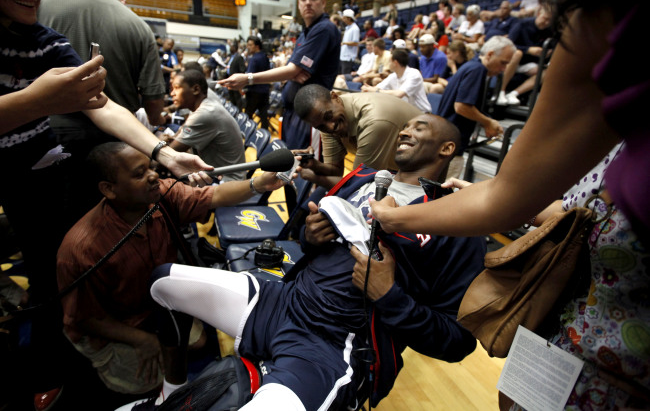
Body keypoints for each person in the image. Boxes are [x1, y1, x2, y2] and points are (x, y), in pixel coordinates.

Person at [368, 0, 650, 408]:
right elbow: (578, 217)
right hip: (549, 346)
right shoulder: (612, 30)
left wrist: (393, 216)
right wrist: (522, 204)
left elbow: (501, 198)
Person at [122, 113, 485, 411]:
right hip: (283, 301)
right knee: (162, 282)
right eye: (405, 125)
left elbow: (457, 343)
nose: (405, 129)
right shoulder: (363, 177)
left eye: (419, 128)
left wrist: (389, 294)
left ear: (446, 147)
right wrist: (311, 237)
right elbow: (310, 245)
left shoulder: (455, 223)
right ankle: (171, 391)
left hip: (332, 344)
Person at [0, 0, 212, 409]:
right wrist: (38, 100)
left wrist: (164, 155)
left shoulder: (40, 36)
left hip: (45, 172)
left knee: (52, 272)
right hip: (20, 180)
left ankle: (59, 355)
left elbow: (99, 102)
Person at [57, 142, 287, 397]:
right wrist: (141, 340)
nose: (154, 176)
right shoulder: (81, 250)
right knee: (151, 383)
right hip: (113, 325)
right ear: (108, 189)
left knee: (196, 344)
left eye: (151, 167)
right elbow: (86, 319)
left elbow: (214, 196)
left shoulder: (161, 195)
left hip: (154, 305)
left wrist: (259, 185)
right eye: (139, 173)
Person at [218, 0, 340, 151]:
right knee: (290, 167)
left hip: (311, 116)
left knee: (303, 169)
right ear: (298, 3)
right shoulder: (306, 32)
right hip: (294, 111)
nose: (308, 2)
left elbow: (292, 69)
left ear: (323, 2)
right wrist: (291, 72)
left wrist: (248, 78)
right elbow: (291, 69)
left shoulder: (324, 29)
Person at [38, 0, 167, 127]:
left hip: (34, 126)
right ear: (123, 1)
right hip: (114, 132)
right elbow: (154, 103)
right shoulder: (141, 27)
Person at [292, 84, 422, 185]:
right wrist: (314, 165)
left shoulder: (375, 121)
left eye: (329, 116)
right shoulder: (325, 117)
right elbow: (335, 170)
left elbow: (358, 185)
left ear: (335, 97)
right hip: (404, 173)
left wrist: (311, 176)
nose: (330, 127)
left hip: (431, 181)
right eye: (320, 126)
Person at [436, 35, 513, 178]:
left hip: (446, 141)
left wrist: (486, 120)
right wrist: (487, 122)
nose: (503, 69)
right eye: (503, 63)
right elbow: (461, 106)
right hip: (451, 144)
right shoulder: (478, 70)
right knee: (441, 192)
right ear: (490, 54)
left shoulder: (471, 66)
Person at [166, 70, 246, 182]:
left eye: (177, 88)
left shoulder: (205, 113)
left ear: (196, 89)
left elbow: (169, 155)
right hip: (218, 174)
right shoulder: (203, 105)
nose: (172, 93)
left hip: (226, 181)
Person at [496, 7, 552, 106]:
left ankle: (514, 94)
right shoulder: (521, 24)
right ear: (539, 14)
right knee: (518, 53)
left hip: (527, 63)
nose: (547, 23)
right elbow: (509, 44)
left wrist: (547, 53)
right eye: (545, 19)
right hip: (511, 61)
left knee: (545, 72)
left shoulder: (549, 31)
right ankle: (501, 92)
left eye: (549, 21)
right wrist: (528, 50)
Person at [361, 49, 432, 113]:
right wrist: (367, 89)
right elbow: (378, 88)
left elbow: (399, 94)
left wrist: (375, 91)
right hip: (407, 113)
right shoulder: (393, 76)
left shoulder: (414, 74)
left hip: (421, 114)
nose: (388, 65)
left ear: (395, 63)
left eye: (389, 62)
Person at [243, 36, 272, 129]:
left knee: (248, 115)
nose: (248, 47)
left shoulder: (254, 59)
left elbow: (249, 76)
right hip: (265, 91)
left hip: (254, 92)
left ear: (257, 46)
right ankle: (265, 138)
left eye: (250, 45)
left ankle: (247, 136)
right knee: (263, 116)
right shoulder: (265, 57)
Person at [225, 40, 246, 110]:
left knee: (237, 98)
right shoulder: (231, 57)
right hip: (229, 80)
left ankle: (238, 114)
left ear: (235, 47)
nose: (230, 48)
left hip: (236, 80)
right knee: (232, 98)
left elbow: (242, 69)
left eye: (231, 47)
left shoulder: (239, 57)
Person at [339, 9, 360, 75]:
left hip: (348, 58)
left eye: (344, 18)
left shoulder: (355, 29)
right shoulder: (348, 28)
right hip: (343, 56)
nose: (343, 19)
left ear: (349, 18)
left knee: (345, 76)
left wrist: (344, 43)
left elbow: (355, 43)